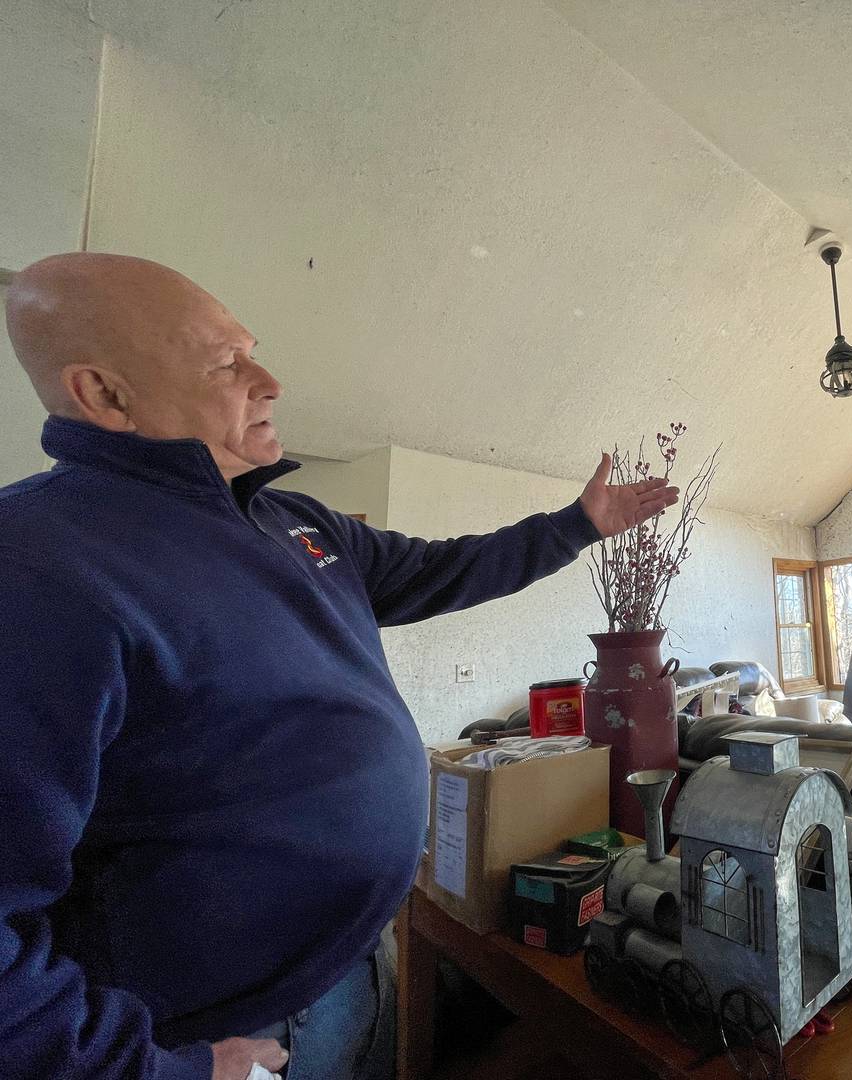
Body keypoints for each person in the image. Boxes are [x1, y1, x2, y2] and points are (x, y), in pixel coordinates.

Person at [0, 253, 678, 1080]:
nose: (270, 380)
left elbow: (442, 569)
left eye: (252, 350)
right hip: (210, 1038)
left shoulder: (292, 521)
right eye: (226, 363)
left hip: (354, 969)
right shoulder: (35, 566)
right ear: (103, 394)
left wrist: (575, 526)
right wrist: (153, 1071)